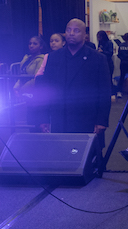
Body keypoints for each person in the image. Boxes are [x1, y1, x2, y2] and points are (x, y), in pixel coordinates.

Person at [38, 19, 111, 175]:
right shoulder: (53, 57)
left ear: (85, 35)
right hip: (59, 115)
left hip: (86, 116)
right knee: (61, 158)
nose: (71, 33)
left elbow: (104, 91)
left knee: (85, 159)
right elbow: (46, 89)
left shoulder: (97, 58)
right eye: (68, 30)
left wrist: (101, 120)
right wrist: (44, 117)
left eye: (76, 30)